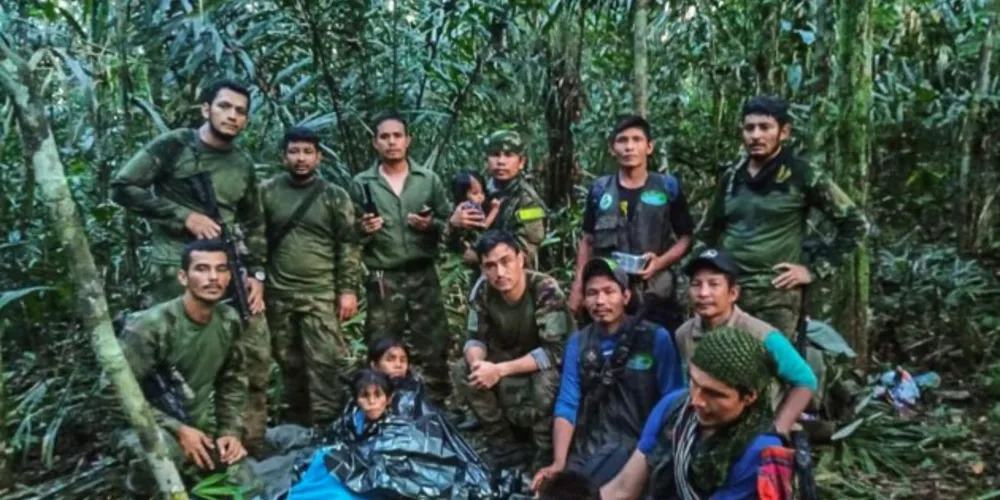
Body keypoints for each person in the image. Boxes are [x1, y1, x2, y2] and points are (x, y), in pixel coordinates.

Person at [110, 79, 272, 450]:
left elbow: (254, 222)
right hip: (175, 269)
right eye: (225, 107)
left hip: (229, 267)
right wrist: (183, 216)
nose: (232, 116)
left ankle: (244, 441)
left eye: (240, 111)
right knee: (175, 358)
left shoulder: (242, 164)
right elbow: (123, 186)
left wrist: (257, 274)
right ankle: (175, 441)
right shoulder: (175, 146)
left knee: (253, 351)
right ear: (206, 109)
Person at [704, 96, 868, 339]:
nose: (756, 136)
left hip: (776, 296)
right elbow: (708, 231)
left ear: (784, 132)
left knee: (771, 369)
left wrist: (813, 270)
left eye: (765, 127)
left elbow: (856, 225)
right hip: (731, 294)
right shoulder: (732, 177)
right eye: (749, 128)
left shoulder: (802, 174)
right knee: (722, 367)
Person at [533, 257, 684, 489]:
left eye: (609, 291)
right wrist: (559, 462)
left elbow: (673, 402)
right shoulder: (579, 342)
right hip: (590, 444)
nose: (600, 300)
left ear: (625, 296)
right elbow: (567, 403)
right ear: (583, 299)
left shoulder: (655, 338)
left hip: (638, 447)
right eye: (592, 293)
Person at [116, 240, 250, 497]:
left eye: (221, 269)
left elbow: (233, 381)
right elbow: (113, 395)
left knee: (248, 485)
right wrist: (178, 430)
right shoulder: (150, 327)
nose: (213, 278)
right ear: (183, 276)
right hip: (145, 426)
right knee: (161, 455)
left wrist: (229, 433)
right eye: (202, 269)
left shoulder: (228, 320)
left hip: (198, 427)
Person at [601, 327, 786, 500]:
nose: (696, 400)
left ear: (749, 396)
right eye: (694, 383)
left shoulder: (760, 451)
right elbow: (623, 488)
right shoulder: (673, 407)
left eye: (714, 394)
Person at [348, 112, 453, 405]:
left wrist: (429, 225)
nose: (391, 142)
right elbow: (349, 232)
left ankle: (435, 403)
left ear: (408, 141)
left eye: (397, 136)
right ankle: (383, 401)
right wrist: (363, 229)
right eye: (384, 137)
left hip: (423, 272)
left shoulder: (427, 180)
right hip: (384, 275)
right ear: (375, 143)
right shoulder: (361, 183)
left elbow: (449, 223)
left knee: (433, 338)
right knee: (382, 339)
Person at [260, 126, 361, 427]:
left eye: (307, 152)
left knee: (326, 362)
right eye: (294, 151)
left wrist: (348, 290)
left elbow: (349, 244)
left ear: (319, 157)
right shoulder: (266, 192)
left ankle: (328, 424)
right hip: (278, 293)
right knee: (289, 362)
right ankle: (297, 423)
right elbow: (253, 239)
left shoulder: (334, 196)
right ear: (283, 156)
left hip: (321, 292)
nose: (300, 158)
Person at [449, 230, 571, 469]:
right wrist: (477, 364)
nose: (499, 273)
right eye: (490, 266)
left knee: (546, 382)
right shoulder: (483, 291)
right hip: (506, 359)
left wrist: (499, 370)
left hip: (542, 364)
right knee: (463, 369)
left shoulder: (544, 289)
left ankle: (545, 452)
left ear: (520, 259)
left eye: (506, 262)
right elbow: (474, 338)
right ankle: (503, 445)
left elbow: (555, 350)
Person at [570, 115, 694, 331]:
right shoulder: (600, 191)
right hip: (608, 296)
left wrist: (660, 262)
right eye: (622, 140)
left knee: (656, 352)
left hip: (655, 294)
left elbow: (686, 238)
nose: (629, 147)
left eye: (637, 140)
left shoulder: (667, 188)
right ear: (612, 147)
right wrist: (579, 285)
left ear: (649, 147)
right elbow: (587, 240)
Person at [674, 248, 816, 436]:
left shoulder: (761, 334)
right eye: (696, 284)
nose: (703, 293)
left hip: (755, 430)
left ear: (733, 293)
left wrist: (778, 428)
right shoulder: (684, 333)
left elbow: (805, 381)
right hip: (706, 424)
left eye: (714, 284)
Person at [449, 130, 547, 266]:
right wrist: (453, 225)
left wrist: (480, 256)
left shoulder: (528, 201)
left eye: (508, 155)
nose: (501, 161)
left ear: (521, 162)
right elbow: (448, 245)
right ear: (486, 160)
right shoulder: (476, 190)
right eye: (495, 155)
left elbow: (526, 251)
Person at [450, 170, 501, 264]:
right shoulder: (469, 209)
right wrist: (495, 210)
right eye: (475, 193)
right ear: (463, 195)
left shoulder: (460, 208)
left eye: (482, 192)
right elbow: (484, 225)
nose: (481, 197)